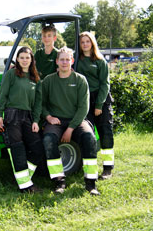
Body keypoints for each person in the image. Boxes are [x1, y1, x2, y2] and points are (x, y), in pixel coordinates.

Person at [41, 46, 100, 196]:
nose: (65, 62)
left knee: (89, 138)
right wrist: (48, 117)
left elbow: (83, 107)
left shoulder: (80, 80)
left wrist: (71, 128)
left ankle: (90, 182)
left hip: (77, 120)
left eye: (67, 59)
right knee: (48, 139)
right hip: (56, 121)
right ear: (57, 62)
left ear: (72, 61)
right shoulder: (48, 81)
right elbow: (40, 104)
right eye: (62, 59)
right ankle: (59, 181)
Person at [0, 46, 44, 193]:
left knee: (38, 148)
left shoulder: (35, 78)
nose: (24, 60)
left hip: (28, 117)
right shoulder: (11, 74)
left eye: (27, 57)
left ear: (31, 60)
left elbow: (38, 103)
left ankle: (23, 177)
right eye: (22, 57)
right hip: (12, 115)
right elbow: (3, 95)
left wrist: (35, 120)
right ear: (17, 59)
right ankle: (25, 186)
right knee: (18, 149)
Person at [77, 31, 115, 180]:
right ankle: (89, 167)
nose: (85, 44)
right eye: (82, 42)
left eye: (87, 41)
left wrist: (99, 104)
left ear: (92, 43)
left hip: (100, 99)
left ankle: (107, 168)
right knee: (88, 134)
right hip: (84, 100)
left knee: (105, 133)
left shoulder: (100, 61)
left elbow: (105, 84)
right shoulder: (77, 61)